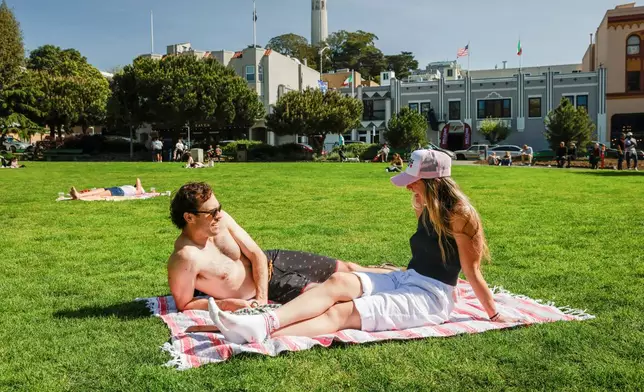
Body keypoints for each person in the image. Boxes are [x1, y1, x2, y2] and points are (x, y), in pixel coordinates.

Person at [207, 150, 516, 344]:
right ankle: (264, 321)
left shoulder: (461, 214)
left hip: (431, 297)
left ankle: (260, 333)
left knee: (342, 312)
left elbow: (472, 271)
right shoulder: (424, 205)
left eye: (414, 180)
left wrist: (493, 314)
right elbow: (426, 256)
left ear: (434, 182)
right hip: (407, 279)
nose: (408, 185)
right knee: (339, 281)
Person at [167, 182, 393, 313]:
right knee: (336, 293)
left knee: (347, 267)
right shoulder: (186, 258)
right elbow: (184, 304)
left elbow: (255, 253)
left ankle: (404, 275)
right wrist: (228, 304)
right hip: (274, 285)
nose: (219, 215)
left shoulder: (222, 220)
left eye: (219, 208)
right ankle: (395, 294)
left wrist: (262, 300)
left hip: (271, 260)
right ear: (189, 217)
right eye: (212, 212)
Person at [69, 178, 146, 200]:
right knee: (97, 191)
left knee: (98, 195)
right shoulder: (132, 188)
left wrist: (138, 179)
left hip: (120, 192)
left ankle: (79, 197)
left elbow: (139, 190)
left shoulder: (139, 191)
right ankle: (79, 194)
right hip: (117, 188)